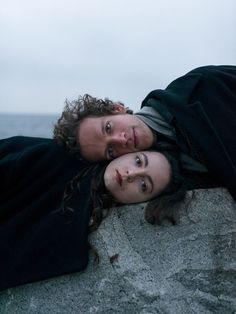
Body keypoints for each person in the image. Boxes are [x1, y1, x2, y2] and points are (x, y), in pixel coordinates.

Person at [0, 136, 190, 291]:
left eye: (143, 185)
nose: (131, 174)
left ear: (143, 202)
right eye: (138, 161)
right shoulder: (59, 155)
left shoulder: (76, 243)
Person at [54, 65, 236, 200]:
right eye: (110, 151)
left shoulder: (201, 85)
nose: (120, 140)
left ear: (117, 108)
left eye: (108, 127)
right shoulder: (156, 176)